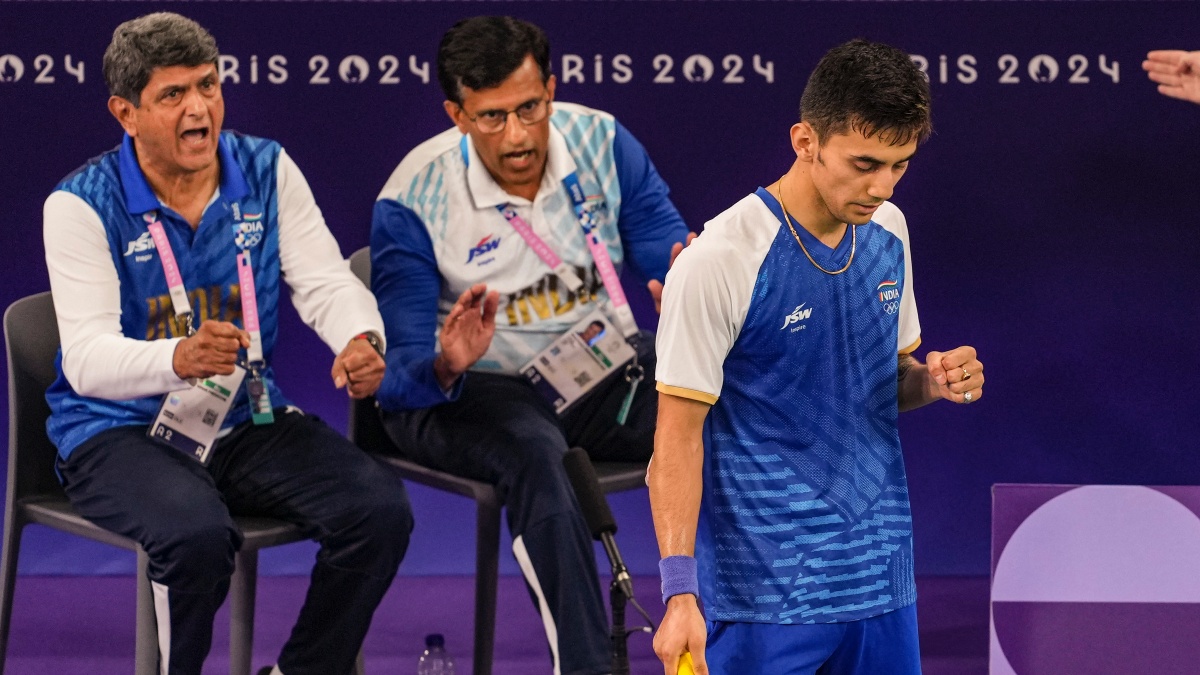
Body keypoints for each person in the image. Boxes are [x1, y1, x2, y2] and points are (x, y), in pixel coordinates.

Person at [40, 13, 464, 675]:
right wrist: (175, 357)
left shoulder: (265, 169)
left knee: (377, 510)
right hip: (117, 430)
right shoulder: (79, 205)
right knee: (196, 537)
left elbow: (323, 278)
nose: (199, 108)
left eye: (208, 85)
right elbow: (88, 359)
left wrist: (358, 335)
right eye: (172, 95)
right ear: (126, 112)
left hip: (241, 413)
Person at [648, 39, 986, 675]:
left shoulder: (890, 233)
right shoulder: (719, 261)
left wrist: (932, 380)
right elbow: (676, 439)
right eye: (864, 164)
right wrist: (679, 590)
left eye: (900, 165)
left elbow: (888, 384)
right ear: (805, 141)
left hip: (882, 586)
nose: (881, 187)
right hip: (762, 600)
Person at [370, 15, 691, 675]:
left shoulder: (601, 141)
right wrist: (448, 359)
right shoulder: (412, 197)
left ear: (551, 87)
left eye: (529, 108)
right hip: (471, 391)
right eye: (491, 118)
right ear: (456, 114)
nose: (516, 136)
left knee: (729, 399)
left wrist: (688, 288)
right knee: (539, 457)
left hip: (598, 372)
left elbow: (670, 253)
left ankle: (760, 636)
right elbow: (397, 383)